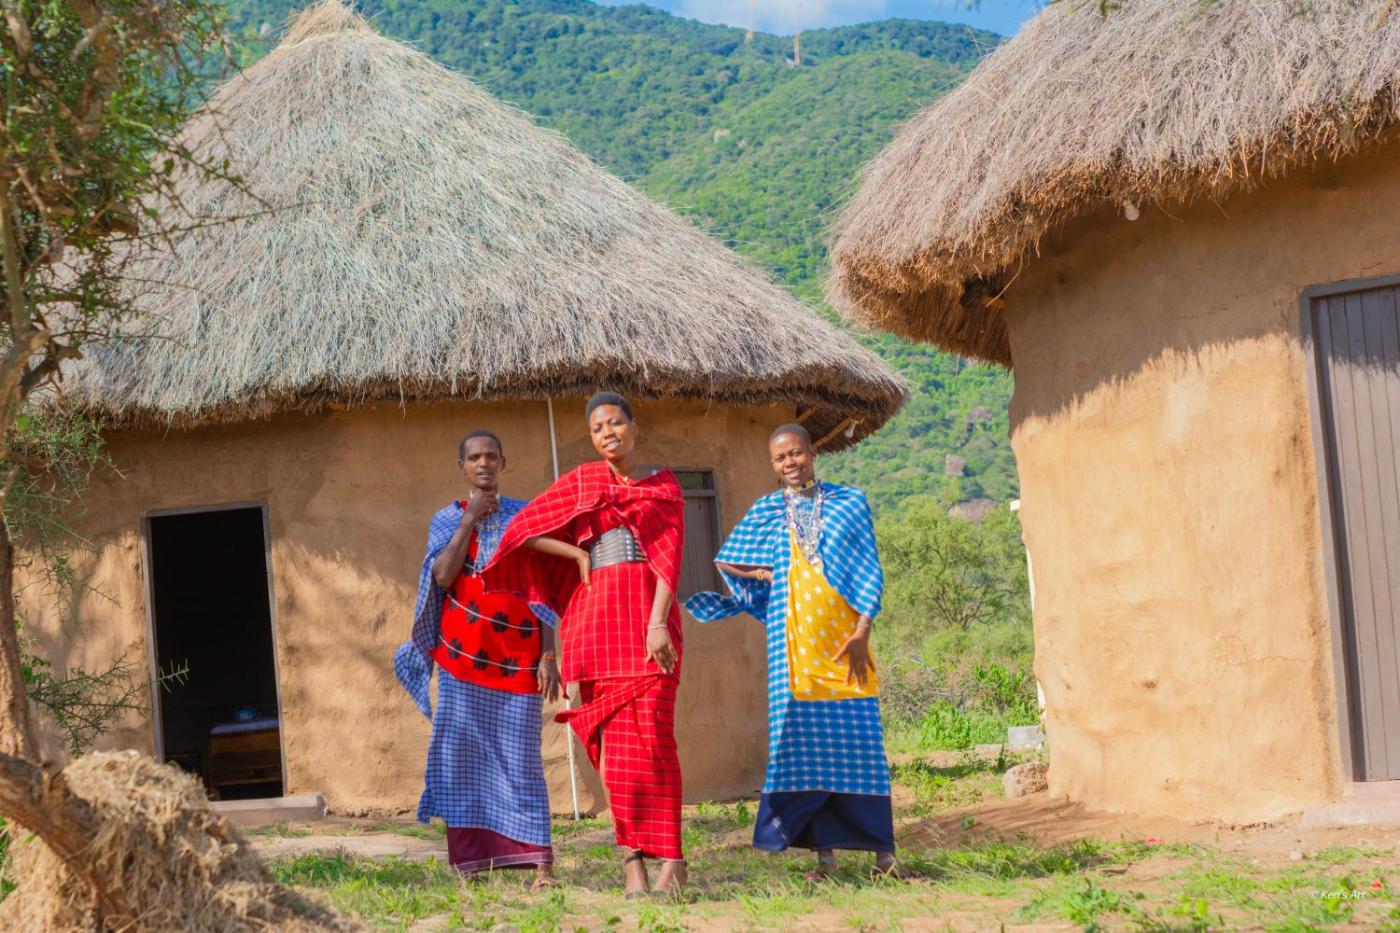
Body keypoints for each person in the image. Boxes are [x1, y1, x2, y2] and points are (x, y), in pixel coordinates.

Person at [481, 392, 687, 896]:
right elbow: (520, 532)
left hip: (648, 625)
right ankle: (633, 864)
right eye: (597, 428)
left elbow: (670, 559)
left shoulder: (664, 487)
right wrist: (576, 554)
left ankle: (673, 860)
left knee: (656, 745)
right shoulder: (583, 482)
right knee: (614, 756)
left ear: (634, 426)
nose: (607, 433)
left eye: (614, 423)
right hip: (593, 626)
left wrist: (657, 622)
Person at [686, 424, 913, 880]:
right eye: (780, 458)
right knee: (806, 750)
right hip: (790, 652)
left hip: (846, 647)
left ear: (812, 452)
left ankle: (884, 857)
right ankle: (824, 859)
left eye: (796, 453)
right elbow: (726, 559)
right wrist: (765, 575)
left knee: (862, 746)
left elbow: (869, 569)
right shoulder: (768, 510)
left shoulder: (849, 503)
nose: (790, 462)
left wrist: (863, 630)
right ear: (773, 464)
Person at [394, 429, 562, 889]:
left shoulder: (526, 516)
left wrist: (548, 654)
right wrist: (469, 519)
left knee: (522, 760)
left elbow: (542, 588)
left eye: (491, 456)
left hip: (518, 661)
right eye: (474, 458)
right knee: (462, 761)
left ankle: (540, 865)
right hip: (460, 662)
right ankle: (472, 866)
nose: (483, 464)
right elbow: (443, 576)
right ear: (462, 467)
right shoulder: (447, 519)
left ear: (503, 463)